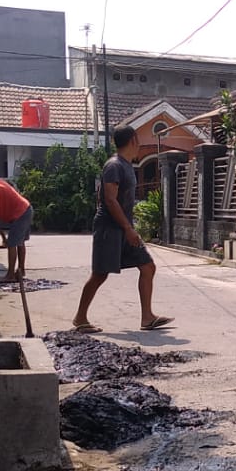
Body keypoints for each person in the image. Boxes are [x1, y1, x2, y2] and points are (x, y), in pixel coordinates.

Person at [72, 125, 173, 333]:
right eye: (139, 140)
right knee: (100, 274)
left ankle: (147, 317)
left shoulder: (126, 165)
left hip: (125, 228)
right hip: (110, 227)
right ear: (133, 140)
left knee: (148, 266)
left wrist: (128, 228)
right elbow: (109, 199)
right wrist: (128, 228)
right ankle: (80, 318)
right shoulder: (114, 166)